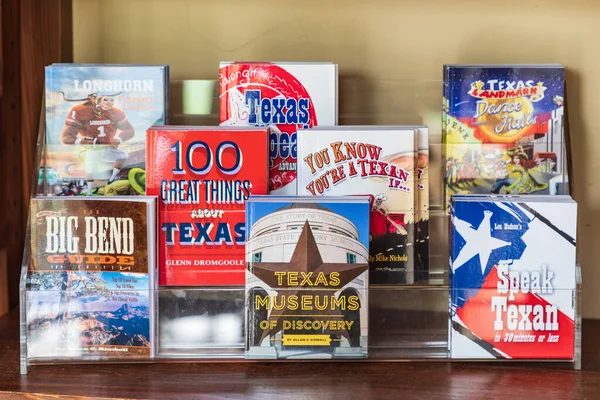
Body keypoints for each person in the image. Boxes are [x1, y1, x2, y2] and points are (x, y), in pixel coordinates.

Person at [60, 93, 135, 195]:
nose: (109, 103)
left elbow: (129, 130)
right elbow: (66, 137)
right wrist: (81, 141)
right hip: (93, 148)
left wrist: (118, 139)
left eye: (111, 100)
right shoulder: (79, 111)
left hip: (107, 147)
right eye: (105, 100)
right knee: (91, 170)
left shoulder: (116, 112)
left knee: (123, 155)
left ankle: (112, 178)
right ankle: (90, 192)